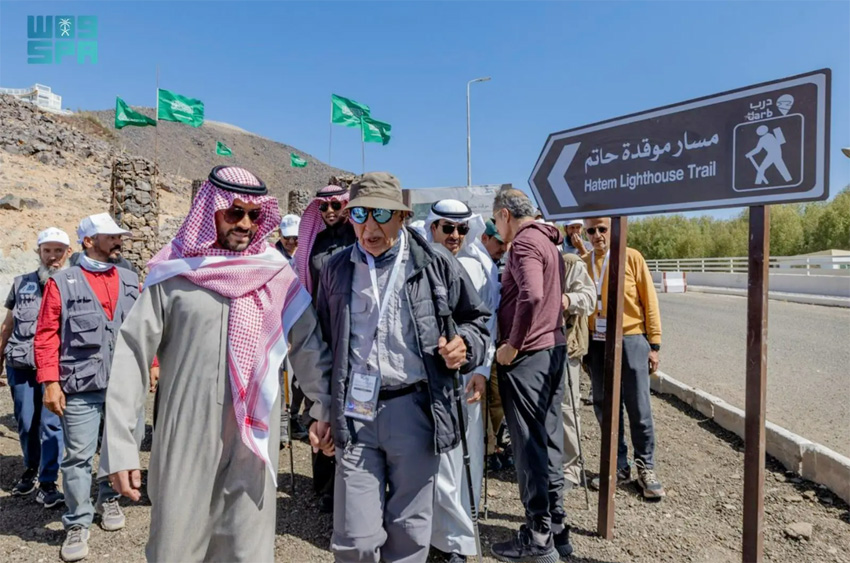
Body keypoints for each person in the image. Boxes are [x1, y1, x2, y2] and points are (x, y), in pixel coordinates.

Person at [99, 166, 333, 562]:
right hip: (185, 434)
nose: (245, 224)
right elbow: (132, 357)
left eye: (254, 215)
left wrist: (324, 408)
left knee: (246, 549)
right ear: (211, 212)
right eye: (235, 212)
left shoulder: (277, 275)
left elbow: (309, 347)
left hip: (253, 440)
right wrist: (120, 448)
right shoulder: (173, 274)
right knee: (175, 545)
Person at [304, 172, 491, 562]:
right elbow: (322, 342)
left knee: (409, 531)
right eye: (360, 214)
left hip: (415, 409)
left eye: (381, 214)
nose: (369, 227)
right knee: (354, 539)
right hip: (356, 411)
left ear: (403, 217)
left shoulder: (435, 262)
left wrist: (465, 346)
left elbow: (476, 320)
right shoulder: (336, 268)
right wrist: (321, 409)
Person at [34, 213, 139, 562]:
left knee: (118, 446)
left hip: (124, 384)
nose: (118, 242)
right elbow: (46, 335)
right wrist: (50, 382)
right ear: (89, 241)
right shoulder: (62, 282)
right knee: (77, 456)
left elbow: (142, 327)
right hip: (80, 384)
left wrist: (152, 364)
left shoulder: (129, 278)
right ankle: (77, 521)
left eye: (119, 236)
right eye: (111, 237)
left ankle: (108, 498)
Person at [491, 189, 573, 562]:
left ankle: (538, 536)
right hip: (552, 349)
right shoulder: (548, 241)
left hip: (529, 356)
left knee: (528, 446)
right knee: (548, 440)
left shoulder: (524, 243)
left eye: (495, 220)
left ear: (505, 214)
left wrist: (512, 344)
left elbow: (532, 295)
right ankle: (557, 527)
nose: (496, 228)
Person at [425, 200, 499, 563]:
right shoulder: (419, 262)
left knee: (465, 458)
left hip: (469, 377)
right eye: (447, 228)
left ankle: (458, 538)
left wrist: (482, 370)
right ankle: (439, 534)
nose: (455, 235)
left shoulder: (481, 266)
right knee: (438, 461)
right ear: (432, 228)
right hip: (430, 379)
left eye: (462, 229)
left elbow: (489, 322)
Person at [582, 217, 665, 500]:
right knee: (605, 407)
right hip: (596, 343)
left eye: (602, 229)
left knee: (638, 406)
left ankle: (646, 467)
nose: (597, 235)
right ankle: (616, 466)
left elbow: (649, 301)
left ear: (613, 229)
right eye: (591, 230)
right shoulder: (584, 262)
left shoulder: (631, 257)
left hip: (630, 339)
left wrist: (654, 344)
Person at [295, 183, 357, 511]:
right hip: (320, 334)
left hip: (350, 332)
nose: (330, 212)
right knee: (319, 405)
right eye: (324, 207)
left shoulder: (356, 238)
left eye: (336, 205)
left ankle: (348, 485)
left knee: (348, 407)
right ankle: (324, 486)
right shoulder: (314, 243)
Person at [0, 228, 70, 509]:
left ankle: (48, 481)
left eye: (58, 251)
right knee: (27, 422)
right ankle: (31, 468)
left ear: (68, 253)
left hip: (56, 367)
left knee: (51, 424)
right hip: (21, 364)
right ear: (39, 252)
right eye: (47, 250)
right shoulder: (21, 284)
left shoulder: (74, 284)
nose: (52, 256)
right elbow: (8, 325)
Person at [559, 247, 596, 491]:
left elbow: (589, 298)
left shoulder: (569, 262)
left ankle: (570, 469)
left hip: (565, 345)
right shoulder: (523, 256)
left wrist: (568, 300)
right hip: (533, 349)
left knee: (567, 407)